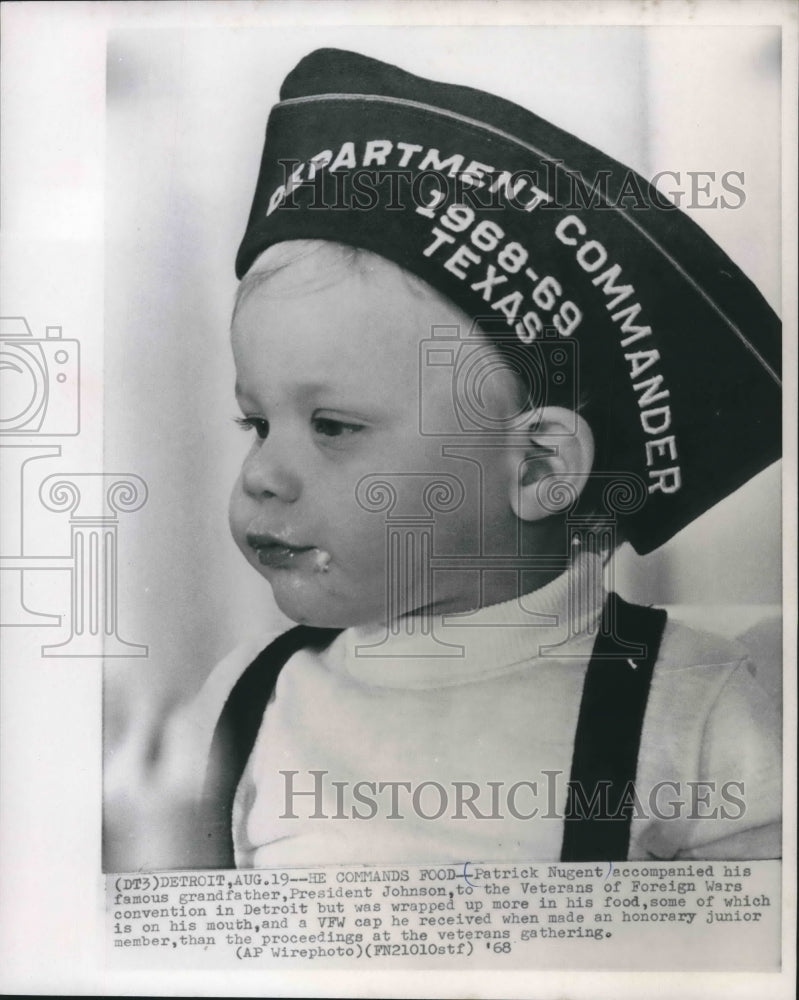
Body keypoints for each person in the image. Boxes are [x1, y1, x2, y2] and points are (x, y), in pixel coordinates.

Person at [166, 49, 782, 868]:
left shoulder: (691, 710)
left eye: (333, 426)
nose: (260, 476)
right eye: (256, 424)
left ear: (535, 467)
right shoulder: (246, 700)